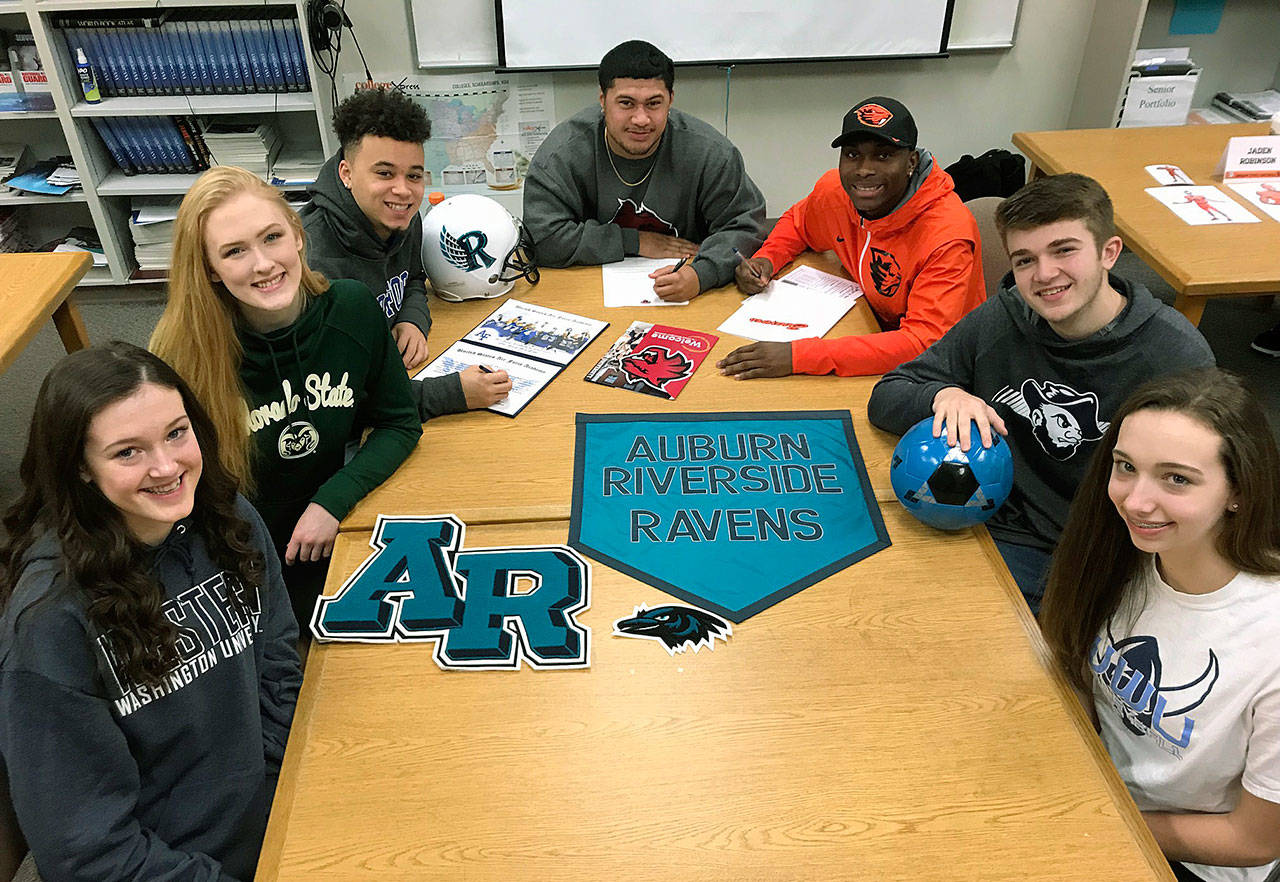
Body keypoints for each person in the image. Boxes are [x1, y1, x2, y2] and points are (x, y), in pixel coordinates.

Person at [0, 342, 302, 881]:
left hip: (280, 822)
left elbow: (277, 654)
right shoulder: (50, 620)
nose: (167, 467)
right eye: (127, 452)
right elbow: (85, 848)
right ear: (81, 469)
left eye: (176, 432)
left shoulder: (225, 516)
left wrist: (289, 794)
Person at [867, 173, 1214, 612]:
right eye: (1024, 260)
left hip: (1091, 554)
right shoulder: (1005, 317)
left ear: (1110, 252)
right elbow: (889, 395)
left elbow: (1198, 494)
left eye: (1064, 250)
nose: (1044, 275)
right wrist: (944, 395)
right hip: (983, 521)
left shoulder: (1173, 355)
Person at [151, 165, 422, 628]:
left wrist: (331, 501)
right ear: (211, 270)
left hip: (335, 533)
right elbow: (172, 496)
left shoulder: (353, 309)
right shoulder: (181, 359)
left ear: (297, 235)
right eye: (234, 251)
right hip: (240, 563)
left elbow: (399, 422)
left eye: (271, 237)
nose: (262, 264)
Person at [1040, 369, 1280, 882]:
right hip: (1093, 786)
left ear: (1238, 491)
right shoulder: (1123, 550)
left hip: (1185, 857)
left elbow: (1254, 840)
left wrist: (1090, 822)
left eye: (1177, 479)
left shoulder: (1270, 639)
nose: (1135, 501)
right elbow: (1074, 666)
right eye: (1125, 467)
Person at [717, 96, 984, 380]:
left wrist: (800, 356)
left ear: (911, 162)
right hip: (868, 326)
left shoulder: (947, 234)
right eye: (853, 154)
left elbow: (923, 343)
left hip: (947, 369)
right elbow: (798, 223)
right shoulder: (837, 192)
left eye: (883, 155)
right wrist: (767, 259)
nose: (864, 169)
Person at [298, 85, 511, 418]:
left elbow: (413, 277)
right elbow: (331, 399)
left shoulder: (402, 217)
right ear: (347, 174)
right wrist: (450, 394)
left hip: (394, 373)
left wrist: (412, 319)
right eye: (384, 173)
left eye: (413, 175)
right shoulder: (312, 264)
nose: (403, 190)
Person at [522, 39, 766, 302]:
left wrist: (702, 274)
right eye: (626, 103)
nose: (641, 119)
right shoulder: (562, 153)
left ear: (670, 100)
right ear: (603, 100)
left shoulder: (710, 152)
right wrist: (635, 242)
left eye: (653, 103)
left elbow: (746, 226)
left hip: (687, 291)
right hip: (584, 292)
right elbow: (541, 237)